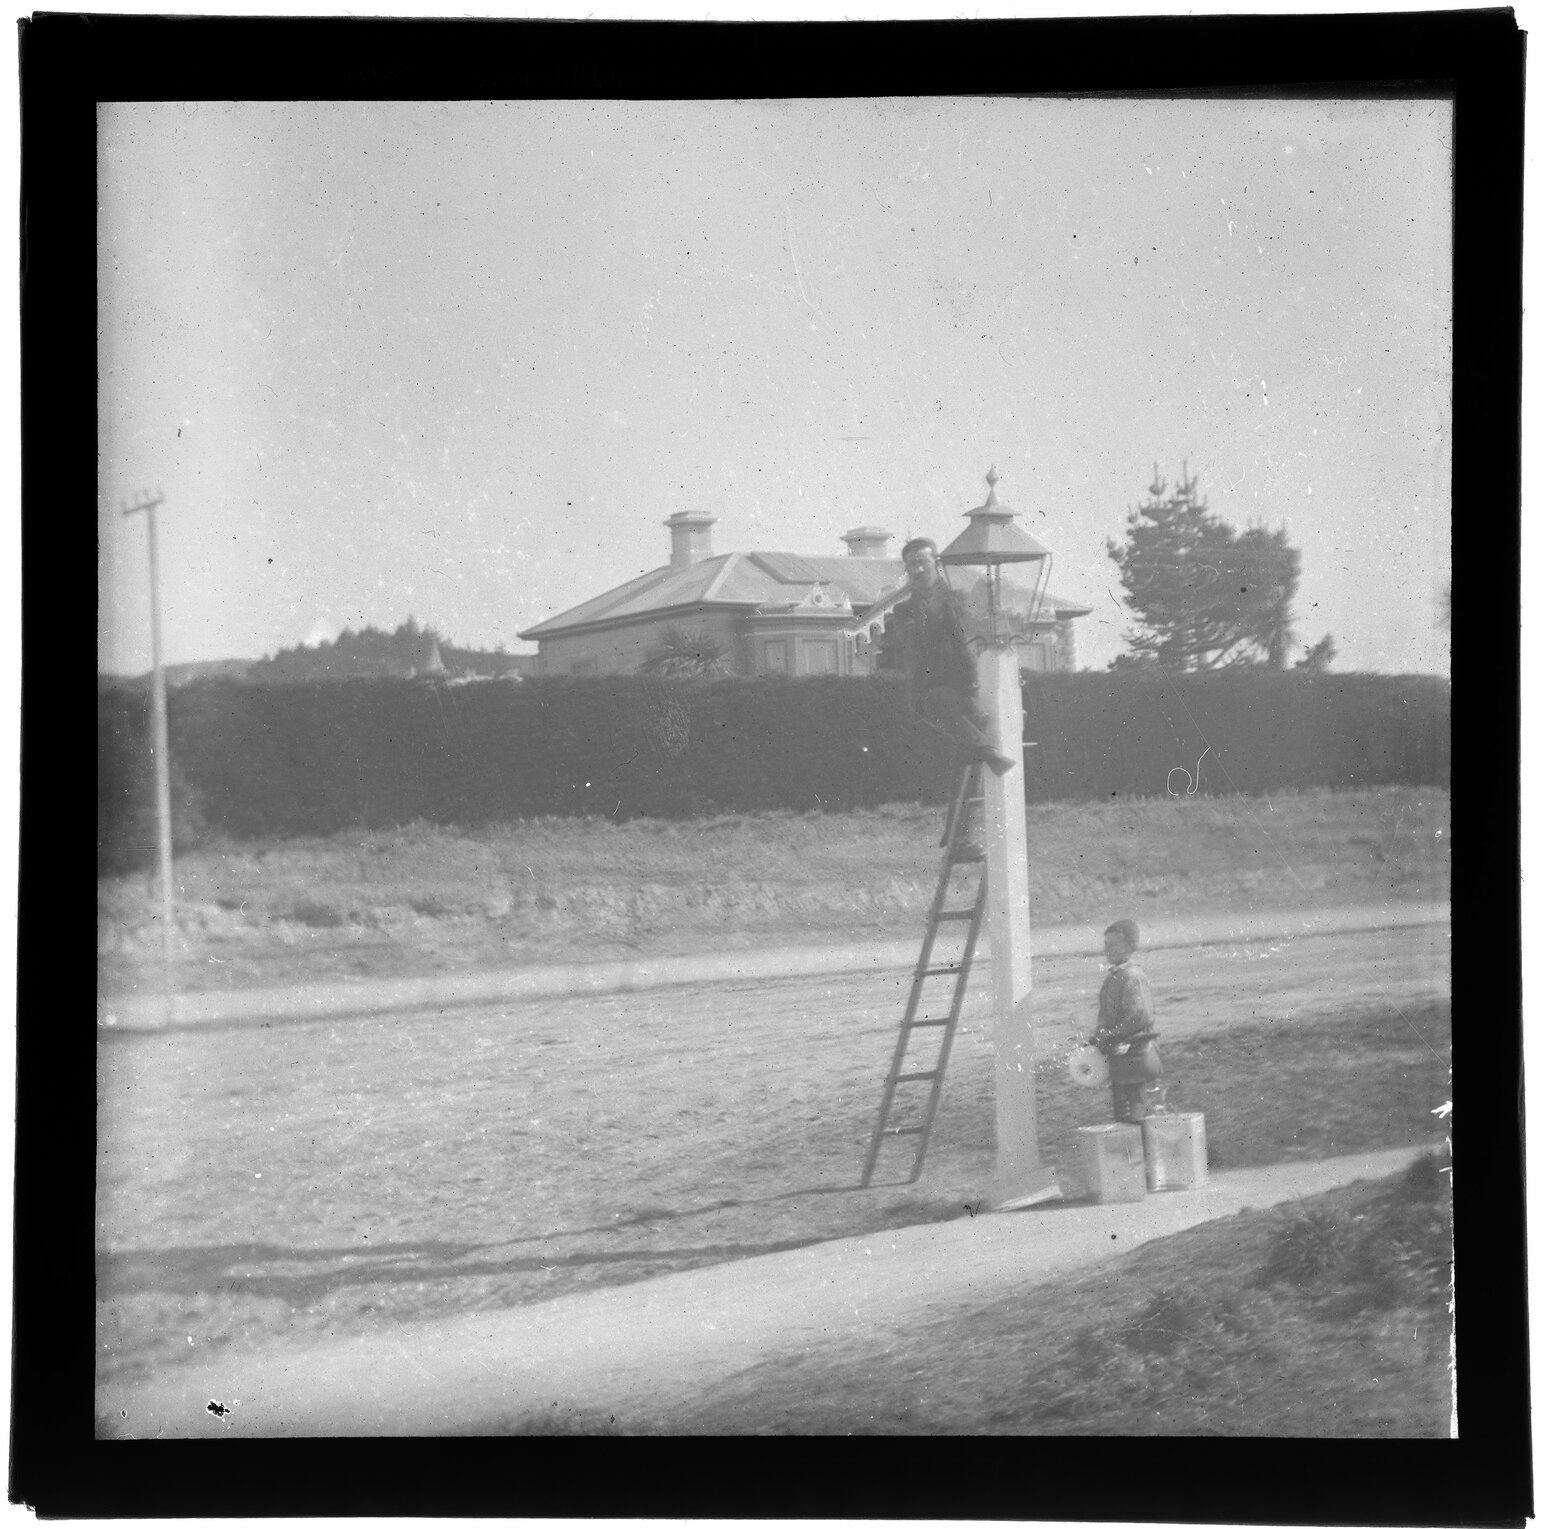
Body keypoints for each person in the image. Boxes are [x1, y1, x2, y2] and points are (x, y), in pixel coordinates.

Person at [889, 537, 1015, 781]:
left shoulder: (958, 599)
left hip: (966, 685)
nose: (917, 570)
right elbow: (917, 639)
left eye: (923, 562)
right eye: (911, 565)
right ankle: (989, 754)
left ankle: (978, 751)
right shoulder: (903, 611)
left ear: (936, 563)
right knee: (942, 700)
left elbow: (970, 631)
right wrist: (936, 601)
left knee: (982, 714)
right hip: (930, 694)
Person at [1090, 918, 1165, 1123]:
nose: (1108, 949)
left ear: (1131, 946)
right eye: (1106, 945)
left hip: (1138, 1059)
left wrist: (1109, 1034)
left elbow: (1139, 1016)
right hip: (1124, 1061)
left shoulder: (1132, 976)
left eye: (1114, 945)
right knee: (1124, 1120)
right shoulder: (1115, 977)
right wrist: (1101, 1033)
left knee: (1140, 1117)